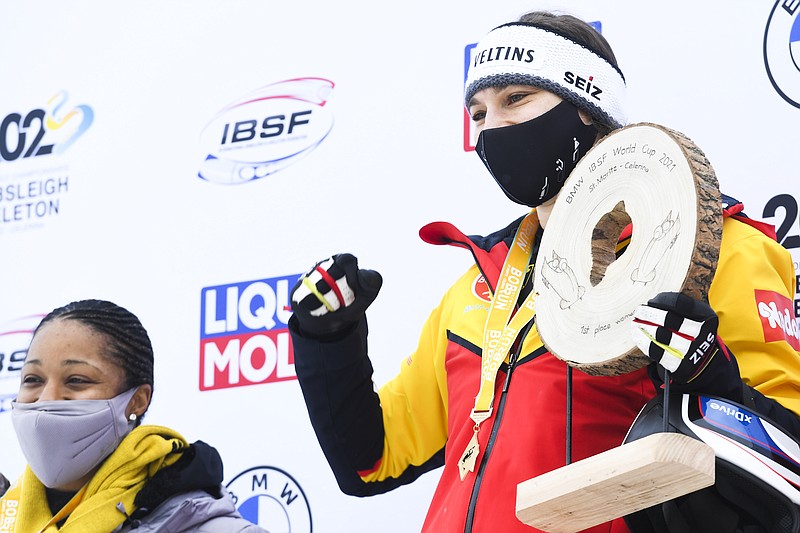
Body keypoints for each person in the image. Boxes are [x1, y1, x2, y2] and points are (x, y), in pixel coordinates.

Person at [288, 10, 800, 533]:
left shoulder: (710, 246)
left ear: (587, 108)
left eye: (516, 99)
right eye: (479, 112)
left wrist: (709, 379)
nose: (493, 128)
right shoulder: (477, 286)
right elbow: (373, 457)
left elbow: (789, 459)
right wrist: (328, 340)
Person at [0, 299, 266, 533]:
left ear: (137, 401)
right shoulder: (7, 514)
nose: (47, 399)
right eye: (33, 379)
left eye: (77, 380)